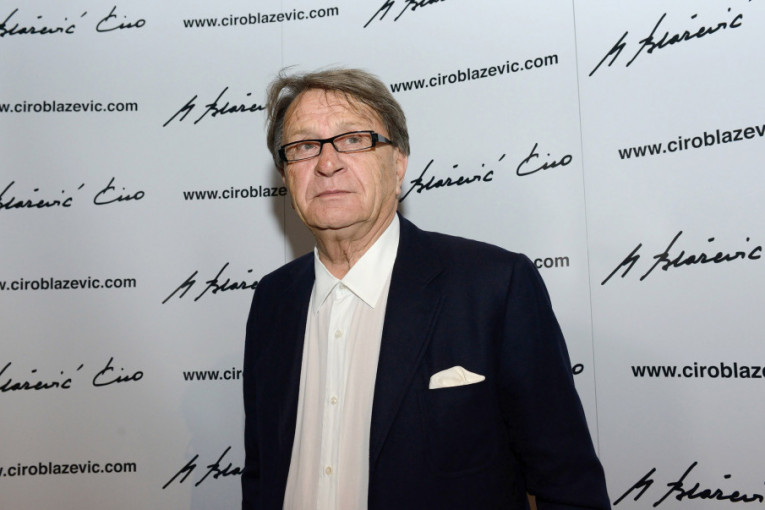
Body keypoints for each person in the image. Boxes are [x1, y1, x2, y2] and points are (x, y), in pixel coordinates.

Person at [242, 68, 610, 510]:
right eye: (304, 146)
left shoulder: (495, 287)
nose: (327, 162)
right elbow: (261, 474)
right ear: (285, 176)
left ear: (397, 165)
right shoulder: (272, 300)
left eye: (354, 139)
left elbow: (568, 487)